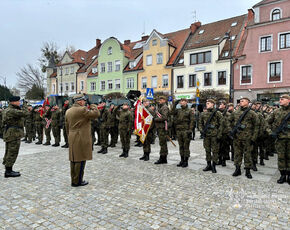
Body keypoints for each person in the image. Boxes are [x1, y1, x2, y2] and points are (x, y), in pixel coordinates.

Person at [65, 94, 100, 187]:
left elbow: (66, 126)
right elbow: (96, 114)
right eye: (84, 100)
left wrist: (69, 136)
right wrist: (93, 105)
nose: (84, 102)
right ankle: (78, 181)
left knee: (74, 159)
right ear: (79, 101)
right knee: (80, 159)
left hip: (72, 136)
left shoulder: (68, 111)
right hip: (80, 137)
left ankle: (74, 179)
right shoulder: (82, 109)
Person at [229, 97, 258, 179]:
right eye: (240, 101)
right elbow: (228, 121)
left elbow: (257, 126)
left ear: (248, 102)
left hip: (248, 138)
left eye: (243, 101)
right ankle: (237, 169)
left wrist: (254, 137)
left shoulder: (252, 113)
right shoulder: (235, 112)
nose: (240, 102)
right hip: (237, 137)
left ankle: (248, 171)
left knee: (247, 155)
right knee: (237, 154)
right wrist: (231, 130)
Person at [2, 96, 29, 178]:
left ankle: (9, 169)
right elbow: (25, 113)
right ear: (13, 102)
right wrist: (25, 105)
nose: (19, 103)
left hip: (12, 133)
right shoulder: (11, 110)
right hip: (13, 134)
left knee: (9, 151)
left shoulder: (9, 109)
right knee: (12, 152)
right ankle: (8, 171)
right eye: (18, 101)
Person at [266, 94, 290, 184]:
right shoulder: (276, 112)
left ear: (288, 100)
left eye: (282, 99)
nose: (280, 100)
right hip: (280, 139)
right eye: (280, 99)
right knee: (281, 157)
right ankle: (283, 175)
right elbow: (266, 122)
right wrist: (270, 132)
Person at [199, 99, 222, 173]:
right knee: (207, 150)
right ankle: (208, 164)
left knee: (215, 151)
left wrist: (219, 134)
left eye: (208, 103)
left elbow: (221, 125)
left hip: (214, 135)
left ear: (213, 104)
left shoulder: (217, 113)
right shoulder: (203, 114)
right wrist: (202, 130)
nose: (207, 104)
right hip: (206, 135)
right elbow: (200, 123)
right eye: (206, 103)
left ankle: (214, 165)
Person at [172, 98, 195, 168]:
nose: (181, 102)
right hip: (179, 130)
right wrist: (175, 104)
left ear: (186, 102)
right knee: (181, 146)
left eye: (183, 101)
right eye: (181, 101)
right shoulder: (178, 110)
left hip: (186, 130)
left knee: (186, 146)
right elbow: (172, 112)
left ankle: (186, 161)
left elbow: (192, 121)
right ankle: (182, 160)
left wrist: (190, 130)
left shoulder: (189, 111)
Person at [154, 96, 169, 164]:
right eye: (159, 99)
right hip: (160, 127)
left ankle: (163, 158)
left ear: (164, 100)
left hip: (162, 127)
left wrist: (155, 119)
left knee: (163, 143)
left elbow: (164, 117)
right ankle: (163, 157)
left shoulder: (164, 107)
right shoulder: (160, 107)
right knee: (162, 143)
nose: (159, 101)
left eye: (161, 99)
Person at [217, 100, 231, 166]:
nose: (220, 105)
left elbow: (229, 124)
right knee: (218, 147)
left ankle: (224, 160)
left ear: (225, 105)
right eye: (219, 104)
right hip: (217, 132)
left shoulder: (228, 114)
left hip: (225, 133)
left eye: (221, 104)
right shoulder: (217, 113)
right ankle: (219, 159)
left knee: (225, 147)